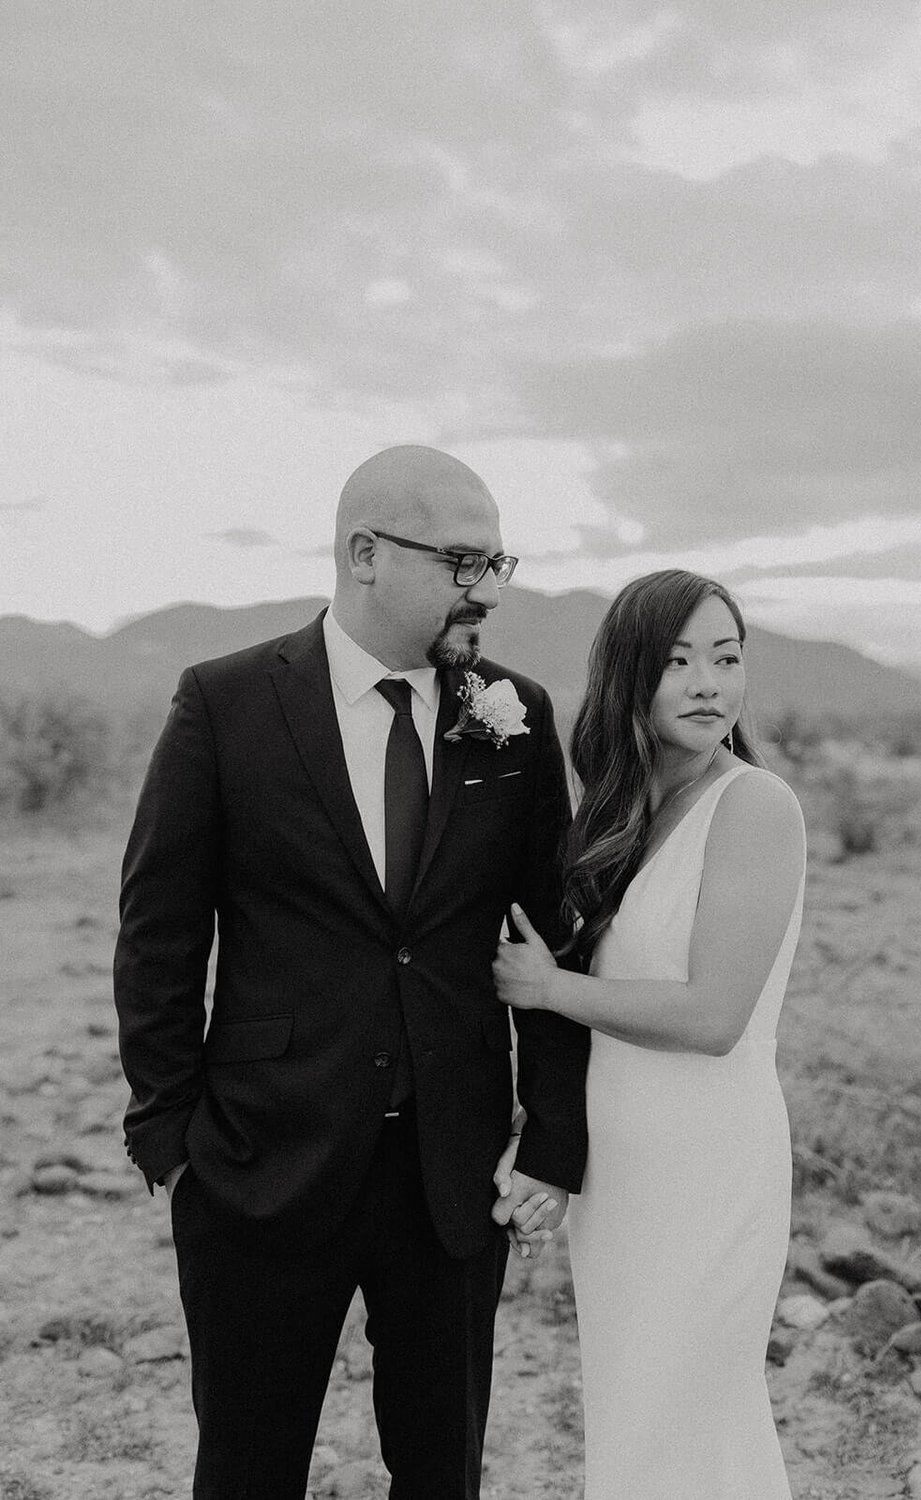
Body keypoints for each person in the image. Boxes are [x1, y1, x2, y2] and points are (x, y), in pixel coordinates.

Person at [113, 444, 589, 1500]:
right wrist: (169, 1135)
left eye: (497, 562)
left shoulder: (516, 717)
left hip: (454, 1175)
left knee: (441, 1471)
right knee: (245, 1468)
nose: (489, 592)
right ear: (364, 553)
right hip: (260, 1162)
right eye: (464, 563)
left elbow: (548, 931)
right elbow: (159, 929)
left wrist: (551, 1137)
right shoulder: (226, 703)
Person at [493, 568, 805, 1499]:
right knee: (635, 1420)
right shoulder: (617, 812)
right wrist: (548, 1148)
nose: (709, 684)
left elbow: (713, 1016)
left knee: (693, 1415)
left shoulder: (754, 806)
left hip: (709, 1164)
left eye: (727, 658)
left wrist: (548, 991)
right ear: (631, 677)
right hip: (623, 1174)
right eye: (678, 663)